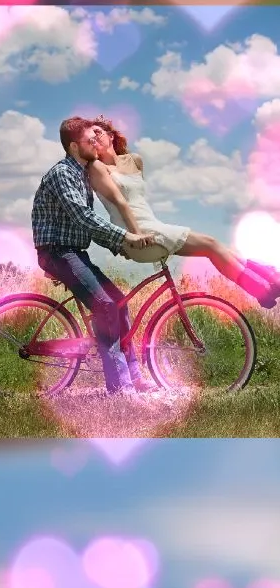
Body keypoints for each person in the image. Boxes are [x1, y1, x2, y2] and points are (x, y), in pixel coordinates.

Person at [88, 115, 280, 309]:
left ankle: (269, 279)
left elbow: (138, 201)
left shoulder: (135, 161)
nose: (94, 138)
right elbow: (121, 203)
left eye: (98, 132)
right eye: (90, 137)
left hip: (151, 225)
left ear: (111, 136)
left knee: (216, 247)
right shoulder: (97, 167)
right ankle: (262, 288)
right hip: (136, 233)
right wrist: (131, 238)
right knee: (211, 245)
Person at [31, 116, 160, 399]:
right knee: (105, 306)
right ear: (76, 146)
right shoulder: (63, 173)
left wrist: (122, 247)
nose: (96, 144)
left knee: (119, 303)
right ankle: (120, 388)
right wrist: (126, 237)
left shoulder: (82, 174)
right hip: (57, 252)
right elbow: (84, 217)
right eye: (91, 140)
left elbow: (87, 225)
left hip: (75, 252)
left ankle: (134, 376)